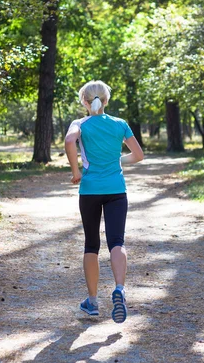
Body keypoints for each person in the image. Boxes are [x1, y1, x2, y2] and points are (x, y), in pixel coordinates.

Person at [64, 80, 144, 323]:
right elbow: (138, 155)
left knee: (91, 244)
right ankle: (119, 288)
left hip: (90, 191)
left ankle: (92, 302)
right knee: (117, 242)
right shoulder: (120, 124)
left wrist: (76, 172)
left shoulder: (80, 124)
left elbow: (69, 141)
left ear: (85, 102)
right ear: (106, 100)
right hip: (117, 190)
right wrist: (119, 162)